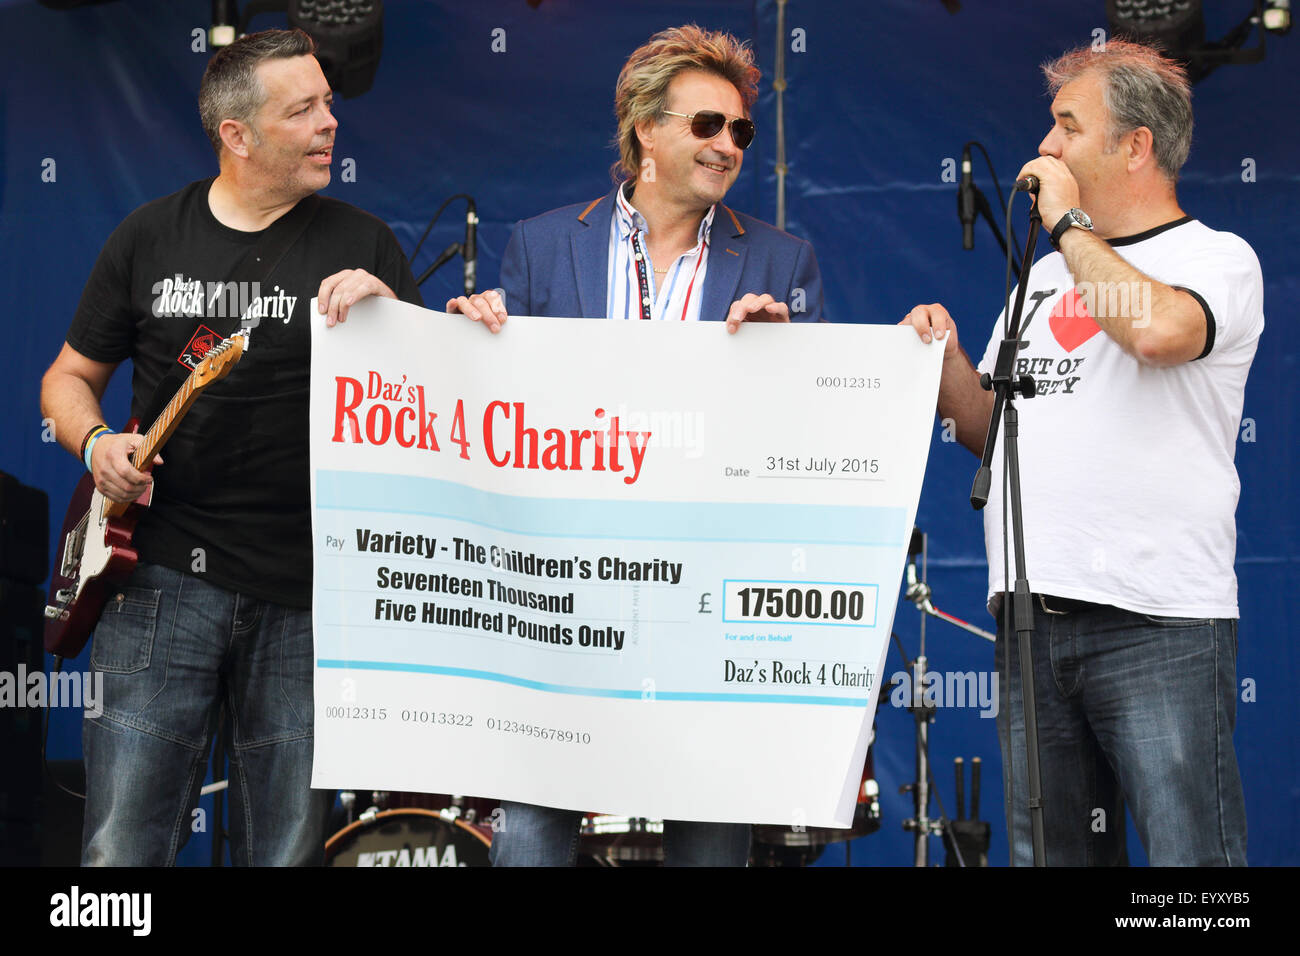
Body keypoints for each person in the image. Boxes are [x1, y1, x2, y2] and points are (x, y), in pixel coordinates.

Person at [40, 29, 422, 866]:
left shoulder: (365, 244)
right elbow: (67, 380)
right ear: (237, 135)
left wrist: (398, 315)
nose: (332, 122)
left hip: (308, 593)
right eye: (305, 109)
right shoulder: (148, 237)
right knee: (119, 849)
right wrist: (96, 442)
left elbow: (428, 417)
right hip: (158, 581)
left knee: (282, 852)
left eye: (329, 102)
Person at [447, 24, 825, 866]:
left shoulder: (781, 259)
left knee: (712, 843)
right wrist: (465, 345)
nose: (728, 146)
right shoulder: (545, 244)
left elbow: (809, 442)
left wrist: (786, 358)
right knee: (534, 836)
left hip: (705, 603)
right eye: (706, 125)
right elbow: (499, 424)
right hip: (563, 596)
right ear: (643, 131)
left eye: (741, 131)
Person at [903, 40, 1260, 866]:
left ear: (1135, 146)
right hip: (1032, 621)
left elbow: (1160, 333)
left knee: (1190, 865)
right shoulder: (1044, 279)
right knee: (1054, 858)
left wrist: (1067, 227)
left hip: (1157, 622)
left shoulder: (1213, 258)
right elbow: (992, 429)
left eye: (1067, 126)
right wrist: (946, 362)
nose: (1047, 147)